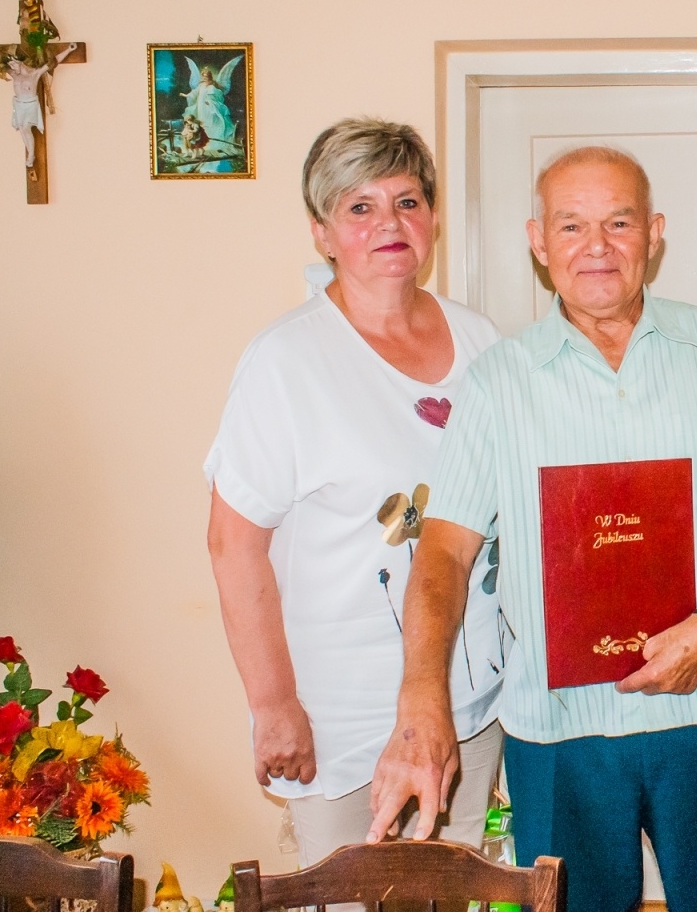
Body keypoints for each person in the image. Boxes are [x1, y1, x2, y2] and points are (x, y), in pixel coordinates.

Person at [367, 146, 697, 912]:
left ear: (654, 233)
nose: (596, 246)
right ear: (538, 241)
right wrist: (421, 695)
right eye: (571, 225)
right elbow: (445, 553)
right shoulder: (498, 381)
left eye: (618, 222)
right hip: (558, 731)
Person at [205, 117, 506, 866]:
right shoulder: (287, 359)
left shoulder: (482, 343)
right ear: (322, 233)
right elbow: (233, 544)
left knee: (459, 886)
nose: (389, 224)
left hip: (469, 704)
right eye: (360, 207)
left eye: (407, 200)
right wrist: (274, 706)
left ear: (433, 217)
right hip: (343, 716)